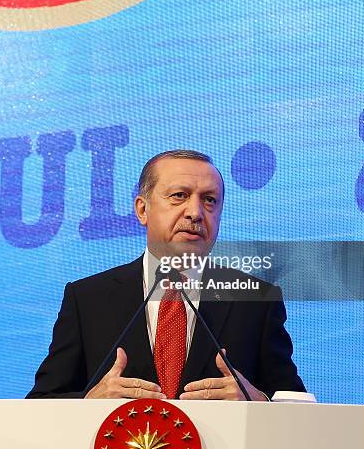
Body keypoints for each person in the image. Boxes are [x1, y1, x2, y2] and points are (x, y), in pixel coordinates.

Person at [26, 150, 305, 401]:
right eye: (179, 196)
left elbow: (298, 409)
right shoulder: (88, 299)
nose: (195, 213)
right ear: (142, 209)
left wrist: (258, 402)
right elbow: (40, 403)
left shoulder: (255, 299)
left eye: (209, 200)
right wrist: (89, 402)